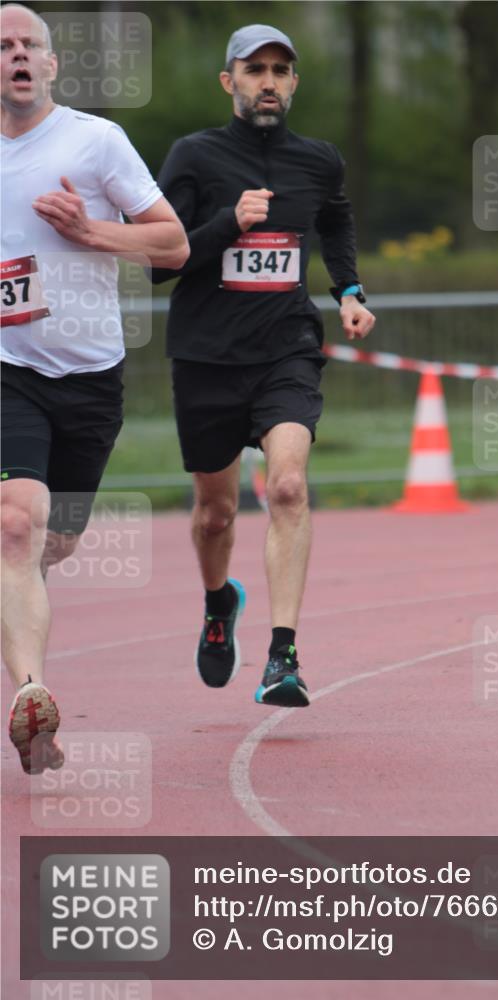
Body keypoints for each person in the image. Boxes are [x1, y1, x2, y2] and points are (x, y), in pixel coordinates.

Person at [152, 24, 375, 708]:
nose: (269, 82)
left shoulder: (318, 160)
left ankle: (283, 656)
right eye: (255, 70)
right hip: (206, 357)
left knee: (285, 489)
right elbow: (161, 263)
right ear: (230, 82)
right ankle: (220, 603)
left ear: (294, 82)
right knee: (216, 514)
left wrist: (349, 291)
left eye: (281, 70)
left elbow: (333, 220)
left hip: (286, 348)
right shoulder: (193, 156)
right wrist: (229, 222)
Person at [0, 3, 189, 774]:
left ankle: (16, 608)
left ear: (50, 65)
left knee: (54, 542)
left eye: (28, 45)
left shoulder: (95, 140)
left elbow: (173, 244)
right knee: (16, 524)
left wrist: (90, 233)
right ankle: (32, 699)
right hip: (8, 369)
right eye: (1, 45)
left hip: (89, 374)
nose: (15, 55)